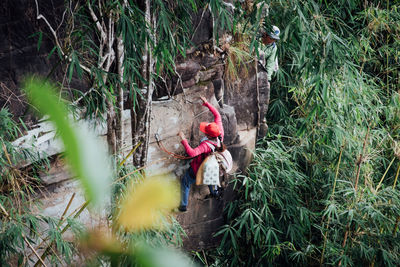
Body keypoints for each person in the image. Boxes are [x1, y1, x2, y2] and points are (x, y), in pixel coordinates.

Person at [177, 96, 225, 212]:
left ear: (208, 136)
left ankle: (183, 205)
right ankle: (214, 192)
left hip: (199, 168)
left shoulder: (205, 145)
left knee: (185, 182)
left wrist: (183, 140)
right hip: (212, 166)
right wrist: (206, 103)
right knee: (211, 176)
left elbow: (192, 153)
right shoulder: (220, 134)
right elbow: (217, 115)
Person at [258, 25, 280, 136]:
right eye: (271, 38)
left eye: (274, 39)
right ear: (265, 35)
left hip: (262, 70)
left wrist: (268, 79)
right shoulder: (257, 40)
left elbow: (271, 64)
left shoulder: (273, 47)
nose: (272, 41)